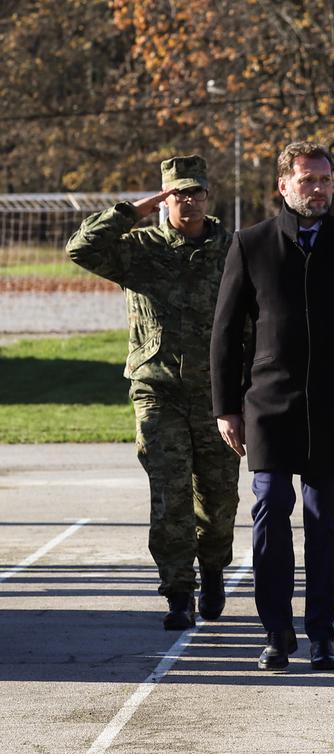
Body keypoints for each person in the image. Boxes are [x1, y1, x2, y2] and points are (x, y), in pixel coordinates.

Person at [212, 141, 334, 672]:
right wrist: (225, 407)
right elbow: (226, 335)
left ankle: (322, 633)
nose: (318, 189)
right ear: (283, 185)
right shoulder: (250, 245)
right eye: (307, 180)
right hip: (269, 404)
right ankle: (276, 632)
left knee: (325, 520)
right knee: (270, 508)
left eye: (325, 180)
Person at [66, 155, 239, 630]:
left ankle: (213, 568)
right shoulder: (138, 249)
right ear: (165, 198)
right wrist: (132, 211)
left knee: (220, 496)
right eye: (179, 193)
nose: (189, 200)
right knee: (170, 493)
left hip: (217, 393)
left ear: (208, 196)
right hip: (156, 389)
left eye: (196, 192)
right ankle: (178, 591)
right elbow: (81, 248)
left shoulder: (231, 249)